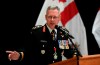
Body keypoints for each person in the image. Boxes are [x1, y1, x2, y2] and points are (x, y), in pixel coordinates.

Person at [5, 5, 75, 65]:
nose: (52, 20)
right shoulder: (37, 33)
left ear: (59, 18)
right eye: (50, 17)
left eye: (55, 17)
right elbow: (28, 51)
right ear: (45, 17)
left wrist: (76, 57)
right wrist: (19, 55)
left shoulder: (62, 34)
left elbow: (67, 53)